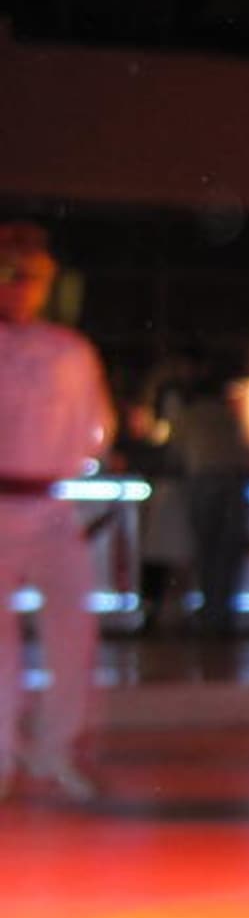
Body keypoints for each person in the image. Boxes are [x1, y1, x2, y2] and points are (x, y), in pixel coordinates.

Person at [0, 223, 114, 801]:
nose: (22, 287)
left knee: (73, 633)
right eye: (11, 274)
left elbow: (96, 429)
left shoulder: (69, 351)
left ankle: (56, 750)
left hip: (49, 506)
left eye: (33, 277)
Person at [167, 354, 249, 635]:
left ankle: (209, 616)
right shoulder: (228, 415)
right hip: (236, 480)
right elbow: (244, 449)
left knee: (206, 549)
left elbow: (174, 455)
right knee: (228, 551)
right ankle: (223, 616)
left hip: (204, 479)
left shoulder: (187, 416)